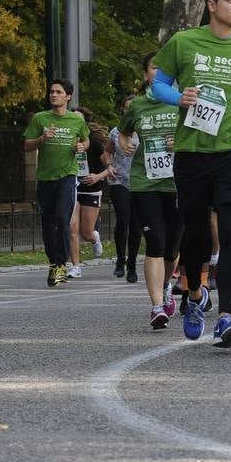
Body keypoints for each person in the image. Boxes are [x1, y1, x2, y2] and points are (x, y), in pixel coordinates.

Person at [150, 0, 231, 348]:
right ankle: (197, 296)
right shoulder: (184, 42)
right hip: (192, 152)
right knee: (196, 235)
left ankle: (227, 317)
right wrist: (177, 98)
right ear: (211, 5)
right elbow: (159, 84)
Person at [117, 59, 183, 329]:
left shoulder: (182, 102)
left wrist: (179, 143)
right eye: (154, 67)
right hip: (145, 182)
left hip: (177, 184)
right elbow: (123, 133)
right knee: (154, 241)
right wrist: (125, 145)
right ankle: (157, 305)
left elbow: (202, 136)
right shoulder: (137, 107)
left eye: (163, 67)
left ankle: (166, 284)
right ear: (146, 75)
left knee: (172, 247)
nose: (159, 71)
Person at [22, 79, 90, 288]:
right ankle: (53, 262)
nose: (53, 95)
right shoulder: (40, 118)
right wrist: (42, 139)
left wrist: (82, 147)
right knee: (47, 221)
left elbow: (86, 140)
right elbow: (26, 146)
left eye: (58, 92)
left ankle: (61, 263)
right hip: (45, 178)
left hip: (67, 176)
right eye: (51, 91)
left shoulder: (76, 120)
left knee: (62, 217)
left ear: (68, 96)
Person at [67, 108, 110, 279]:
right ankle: (75, 266)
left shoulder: (95, 144)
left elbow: (109, 168)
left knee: (86, 232)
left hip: (92, 189)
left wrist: (97, 176)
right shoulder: (66, 142)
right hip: (72, 187)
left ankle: (94, 238)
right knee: (72, 227)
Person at [106, 94, 141, 282]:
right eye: (126, 108)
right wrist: (109, 165)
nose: (129, 112)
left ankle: (132, 264)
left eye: (133, 108)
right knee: (123, 218)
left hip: (140, 182)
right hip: (119, 180)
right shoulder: (115, 132)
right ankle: (120, 260)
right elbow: (107, 152)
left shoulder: (145, 130)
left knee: (136, 225)